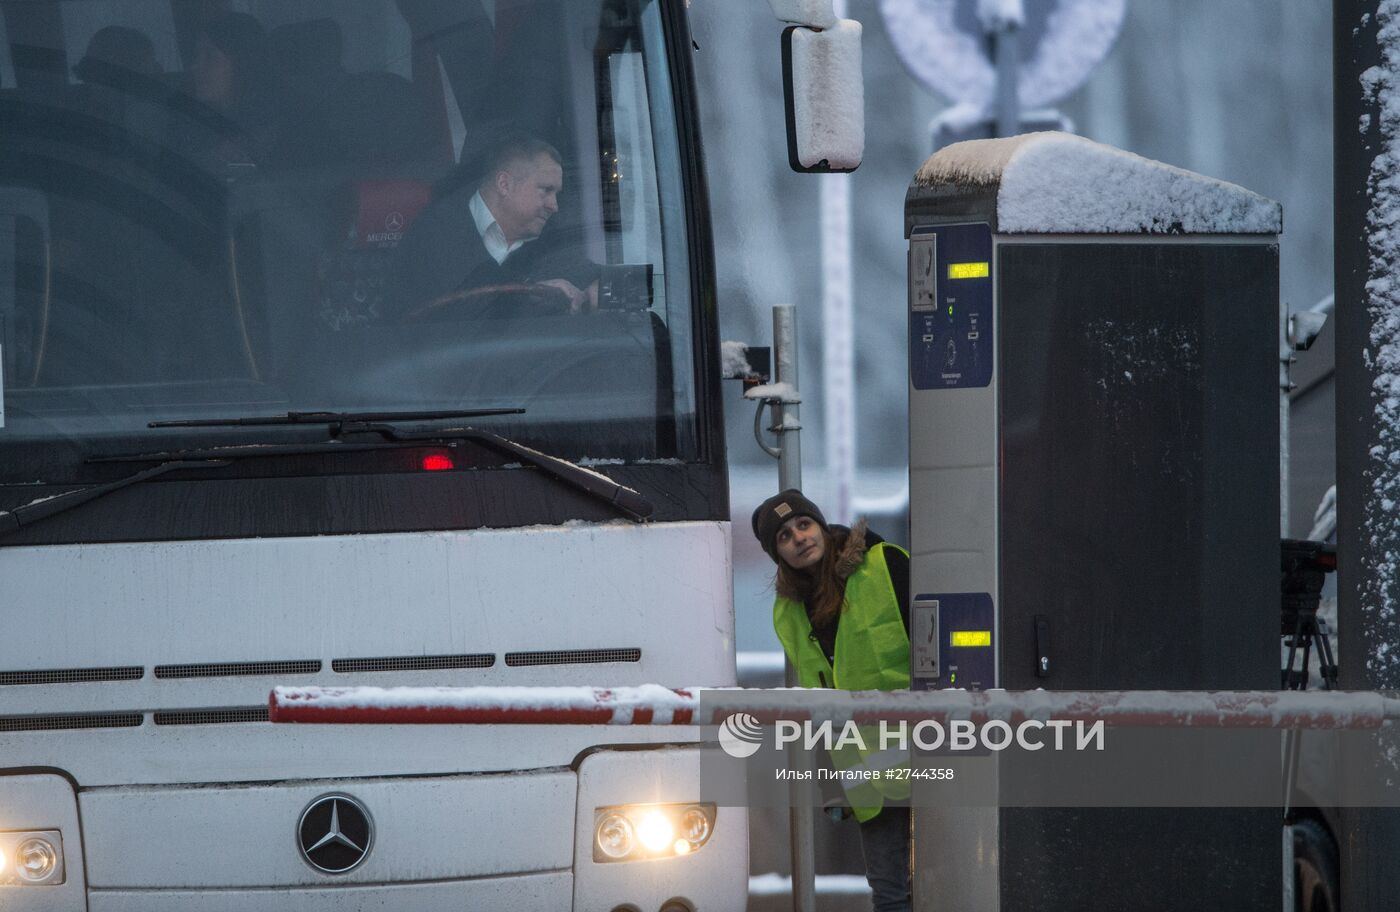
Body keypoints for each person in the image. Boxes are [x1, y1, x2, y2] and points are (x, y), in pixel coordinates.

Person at [752, 489, 913, 912]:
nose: (799, 538)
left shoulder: (885, 562)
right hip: (866, 771)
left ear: (821, 526)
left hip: (926, 750)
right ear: (777, 554)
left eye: (804, 525)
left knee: (953, 873)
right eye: (784, 536)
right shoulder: (788, 613)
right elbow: (817, 702)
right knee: (890, 895)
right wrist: (831, 784)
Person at [390, 135, 599, 318]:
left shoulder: (560, 239)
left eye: (557, 194)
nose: (554, 206)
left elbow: (583, 296)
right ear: (504, 184)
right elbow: (414, 326)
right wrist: (531, 291)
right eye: (546, 190)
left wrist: (589, 297)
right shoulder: (431, 236)